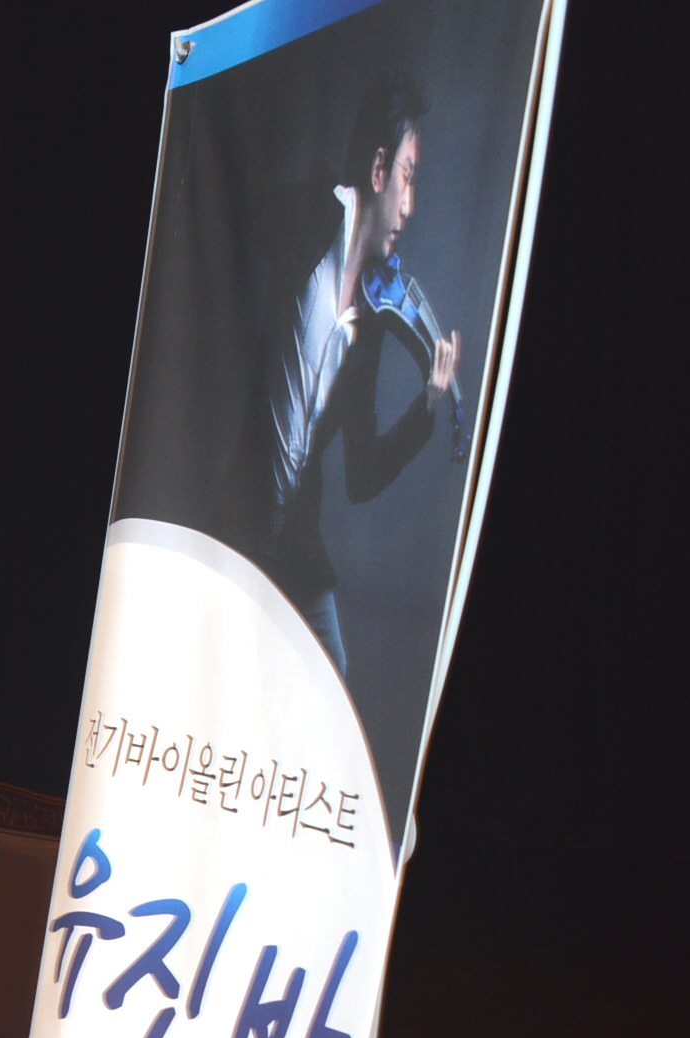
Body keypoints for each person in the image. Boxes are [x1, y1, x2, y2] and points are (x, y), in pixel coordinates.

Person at [212, 70, 459, 677]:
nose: (409, 206)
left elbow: (361, 475)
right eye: (407, 177)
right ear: (378, 170)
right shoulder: (310, 215)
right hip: (239, 523)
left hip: (295, 546)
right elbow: (233, 208)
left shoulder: (370, 324)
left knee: (331, 681)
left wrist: (430, 402)